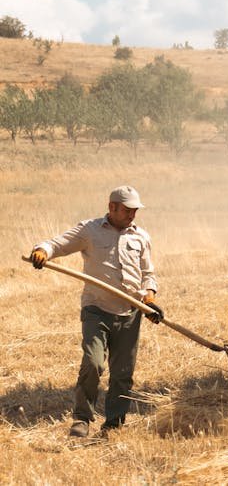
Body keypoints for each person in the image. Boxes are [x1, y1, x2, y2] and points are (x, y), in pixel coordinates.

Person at [29, 185, 164, 438]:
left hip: (130, 312)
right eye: (128, 210)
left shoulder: (141, 237)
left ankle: (114, 423)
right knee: (93, 363)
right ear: (112, 207)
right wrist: (42, 251)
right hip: (97, 310)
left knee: (123, 374)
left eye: (135, 210)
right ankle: (81, 419)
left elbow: (148, 273)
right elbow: (58, 243)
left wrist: (149, 298)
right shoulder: (89, 230)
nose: (132, 215)